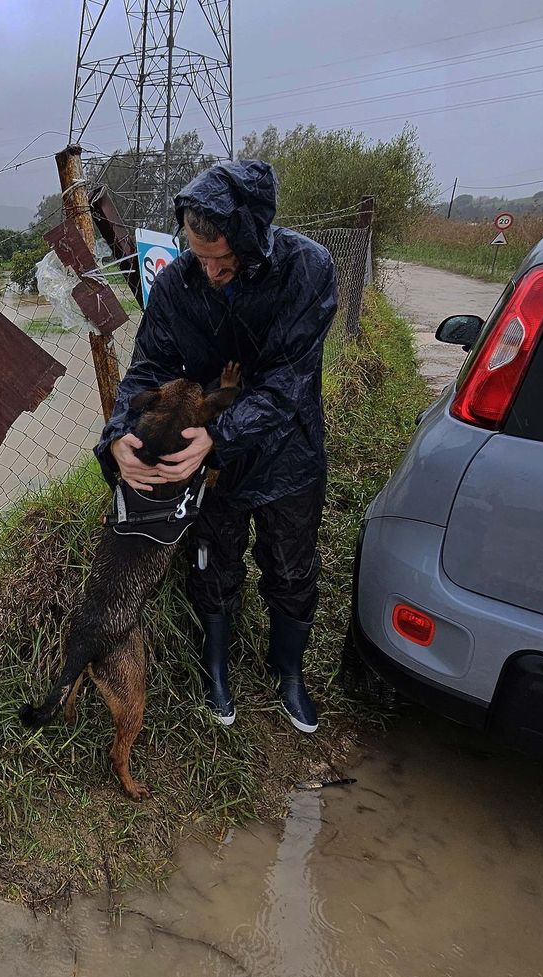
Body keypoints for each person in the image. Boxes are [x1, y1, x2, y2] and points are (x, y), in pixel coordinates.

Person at [93, 159, 339, 733]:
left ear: (252, 242)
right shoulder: (177, 284)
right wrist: (118, 436)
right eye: (198, 256)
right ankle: (216, 671)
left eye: (222, 260)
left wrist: (219, 435)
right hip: (204, 460)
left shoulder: (307, 270)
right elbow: (148, 368)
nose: (209, 271)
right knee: (212, 563)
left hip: (287, 450)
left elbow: (286, 382)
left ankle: (289, 673)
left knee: (291, 565)